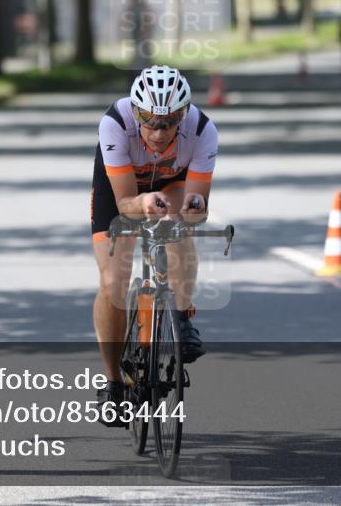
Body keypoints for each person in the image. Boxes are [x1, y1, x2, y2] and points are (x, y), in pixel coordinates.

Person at [90, 65, 217, 425]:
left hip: (172, 182)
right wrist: (142, 205)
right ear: (136, 113)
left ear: (183, 116)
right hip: (124, 188)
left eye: (169, 123)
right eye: (149, 121)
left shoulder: (204, 131)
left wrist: (194, 210)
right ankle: (113, 383)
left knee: (178, 228)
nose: (159, 133)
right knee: (113, 281)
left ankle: (180, 316)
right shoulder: (115, 123)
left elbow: (196, 203)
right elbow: (125, 204)